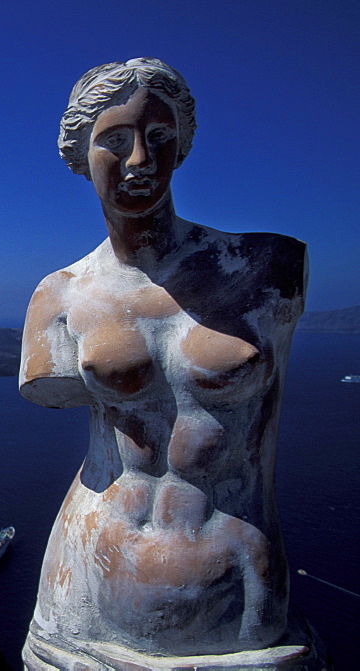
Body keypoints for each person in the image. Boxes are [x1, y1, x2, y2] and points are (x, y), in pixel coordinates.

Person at [20, 58, 311, 665]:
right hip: (86, 581)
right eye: (114, 141)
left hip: (236, 582)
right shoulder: (59, 297)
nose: (139, 161)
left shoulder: (269, 268)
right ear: (80, 155)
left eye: (158, 137)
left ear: (181, 147)